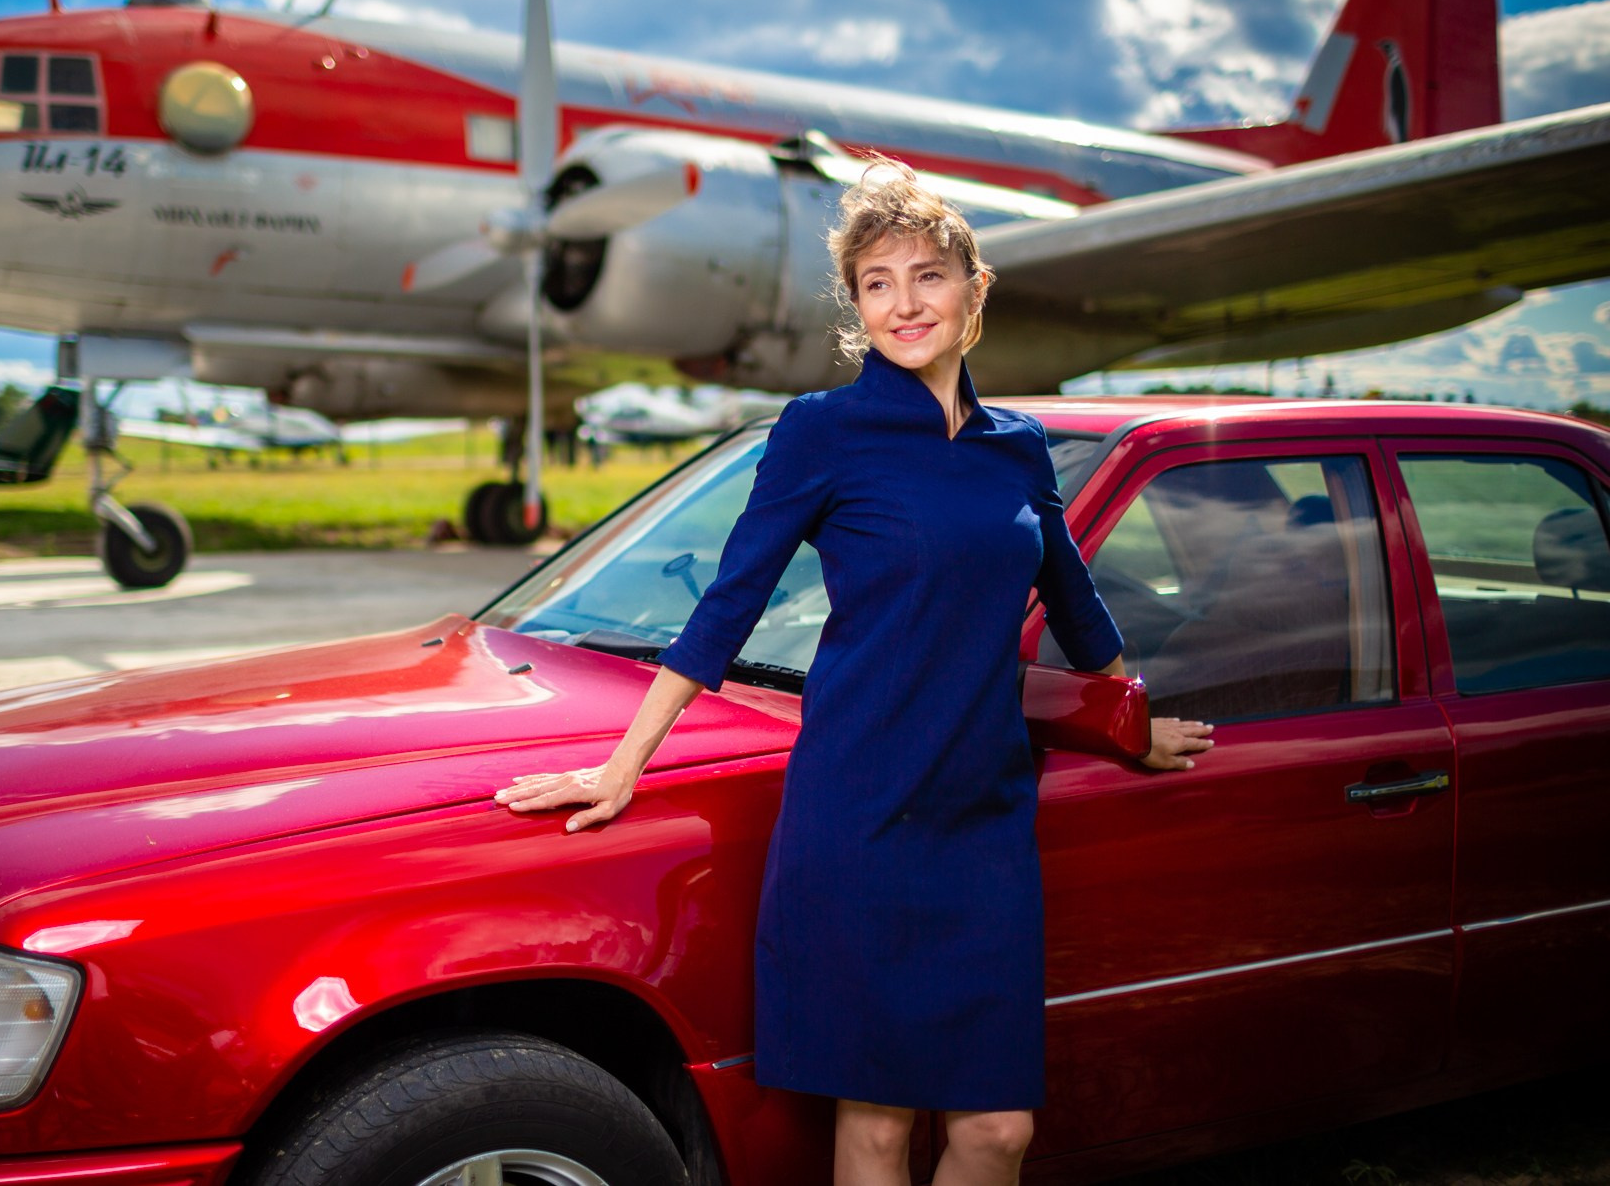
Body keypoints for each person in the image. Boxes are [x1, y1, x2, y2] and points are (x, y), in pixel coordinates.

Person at [496, 159, 1213, 1186]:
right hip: (859, 819)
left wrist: (1130, 719)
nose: (903, 303)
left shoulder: (1018, 446)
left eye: (927, 275)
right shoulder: (822, 431)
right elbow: (727, 603)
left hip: (984, 828)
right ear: (857, 305)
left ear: (972, 288)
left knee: (996, 1130)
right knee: (875, 1126)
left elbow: (1074, 602)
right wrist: (623, 766)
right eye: (877, 283)